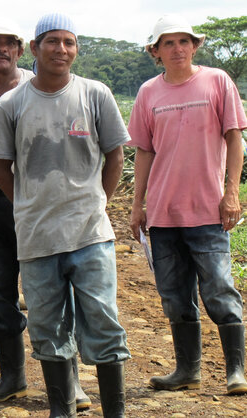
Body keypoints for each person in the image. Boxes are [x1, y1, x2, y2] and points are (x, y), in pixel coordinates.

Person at [0, 13, 130, 417]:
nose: (61, 50)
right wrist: (27, 206)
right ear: (34, 48)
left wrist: (97, 201)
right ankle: (61, 410)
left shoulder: (95, 94)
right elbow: (0, 166)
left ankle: (113, 412)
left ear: (76, 49)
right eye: (52, 42)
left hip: (90, 234)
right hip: (37, 238)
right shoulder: (13, 103)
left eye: (69, 42)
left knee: (102, 324)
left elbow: (115, 155)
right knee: (47, 328)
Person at [128, 14, 247, 396]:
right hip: (163, 214)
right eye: (168, 43)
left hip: (208, 211)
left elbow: (234, 139)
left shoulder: (217, 82)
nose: (177, 49)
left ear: (195, 46)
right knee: (175, 295)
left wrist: (231, 192)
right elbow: (144, 152)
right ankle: (187, 370)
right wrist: (137, 205)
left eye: (184, 41)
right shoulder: (148, 93)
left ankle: (236, 372)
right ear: (156, 52)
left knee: (219, 291)